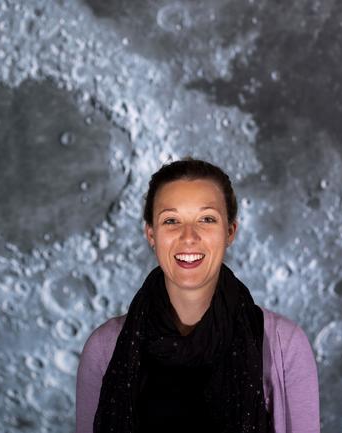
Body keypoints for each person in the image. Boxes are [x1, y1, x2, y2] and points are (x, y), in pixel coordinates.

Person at [76, 158, 320, 433]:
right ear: (151, 234)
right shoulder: (103, 348)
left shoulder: (285, 346)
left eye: (206, 219)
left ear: (230, 232)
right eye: (171, 221)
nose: (188, 236)